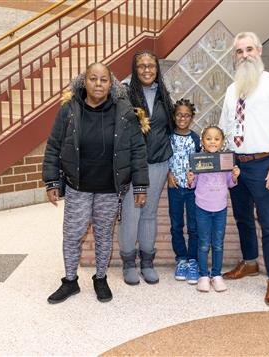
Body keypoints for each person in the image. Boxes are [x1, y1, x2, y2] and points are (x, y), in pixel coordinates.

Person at [42, 63, 149, 304]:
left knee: (103, 235)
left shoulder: (124, 112)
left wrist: (140, 186)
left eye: (103, 80)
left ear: (111, 84)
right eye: (93, 79)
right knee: (72, 234)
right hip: (77, 186)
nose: (98, 84)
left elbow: (138, 150)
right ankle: (70, 281)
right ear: (84, 81)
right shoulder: (69, 109)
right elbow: (53, 146)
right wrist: (51, 181)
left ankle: (100, 278)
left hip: (110, 189)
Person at [219, 32, 269, 306]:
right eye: (239, 51)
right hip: (236, 163)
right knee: (242, 218)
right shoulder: (231, 89)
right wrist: (224, 162)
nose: (245, 55)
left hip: (265, 164)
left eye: (249, 49)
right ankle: (250, 262)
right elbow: (226, 127)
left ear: (259, 50)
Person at [118, 50, 174, 285]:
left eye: (151, 65)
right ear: (134, 68)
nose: (147, 70)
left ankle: (147, 262)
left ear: (157, 69)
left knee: (149, 214)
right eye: (141, 66)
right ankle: (129, 263)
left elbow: (168, 128)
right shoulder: (125, 94)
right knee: (132, 214)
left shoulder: (163, 93)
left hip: (159, 163)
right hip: (133, 166)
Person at [186, 126, 240, 293]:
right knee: (203, 243)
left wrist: (234, 176)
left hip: (220, 208)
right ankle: (203, 275)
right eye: (209, 138)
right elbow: (192, 185)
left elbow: (230, 184)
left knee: (217, 244)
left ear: (222, 142)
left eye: (216, 139)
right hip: (202, 207)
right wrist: (190, 179)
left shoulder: (225, 161)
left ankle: (216, 275)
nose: (212, 141)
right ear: (203, 141)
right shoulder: (199, 160)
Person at [167, 98, 201, 284]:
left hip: (192, 190)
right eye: (179, 114)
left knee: (194, 227)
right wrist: (167, 173)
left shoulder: (195, 139)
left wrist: (195, 177)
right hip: (174, 189)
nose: (182, 118)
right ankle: (181, 259)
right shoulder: (169, 137)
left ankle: (193, 260)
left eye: (187, 115)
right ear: (174, 116)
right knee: (176, 225)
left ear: (191, 117)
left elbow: (202, 163)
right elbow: (163, 158)